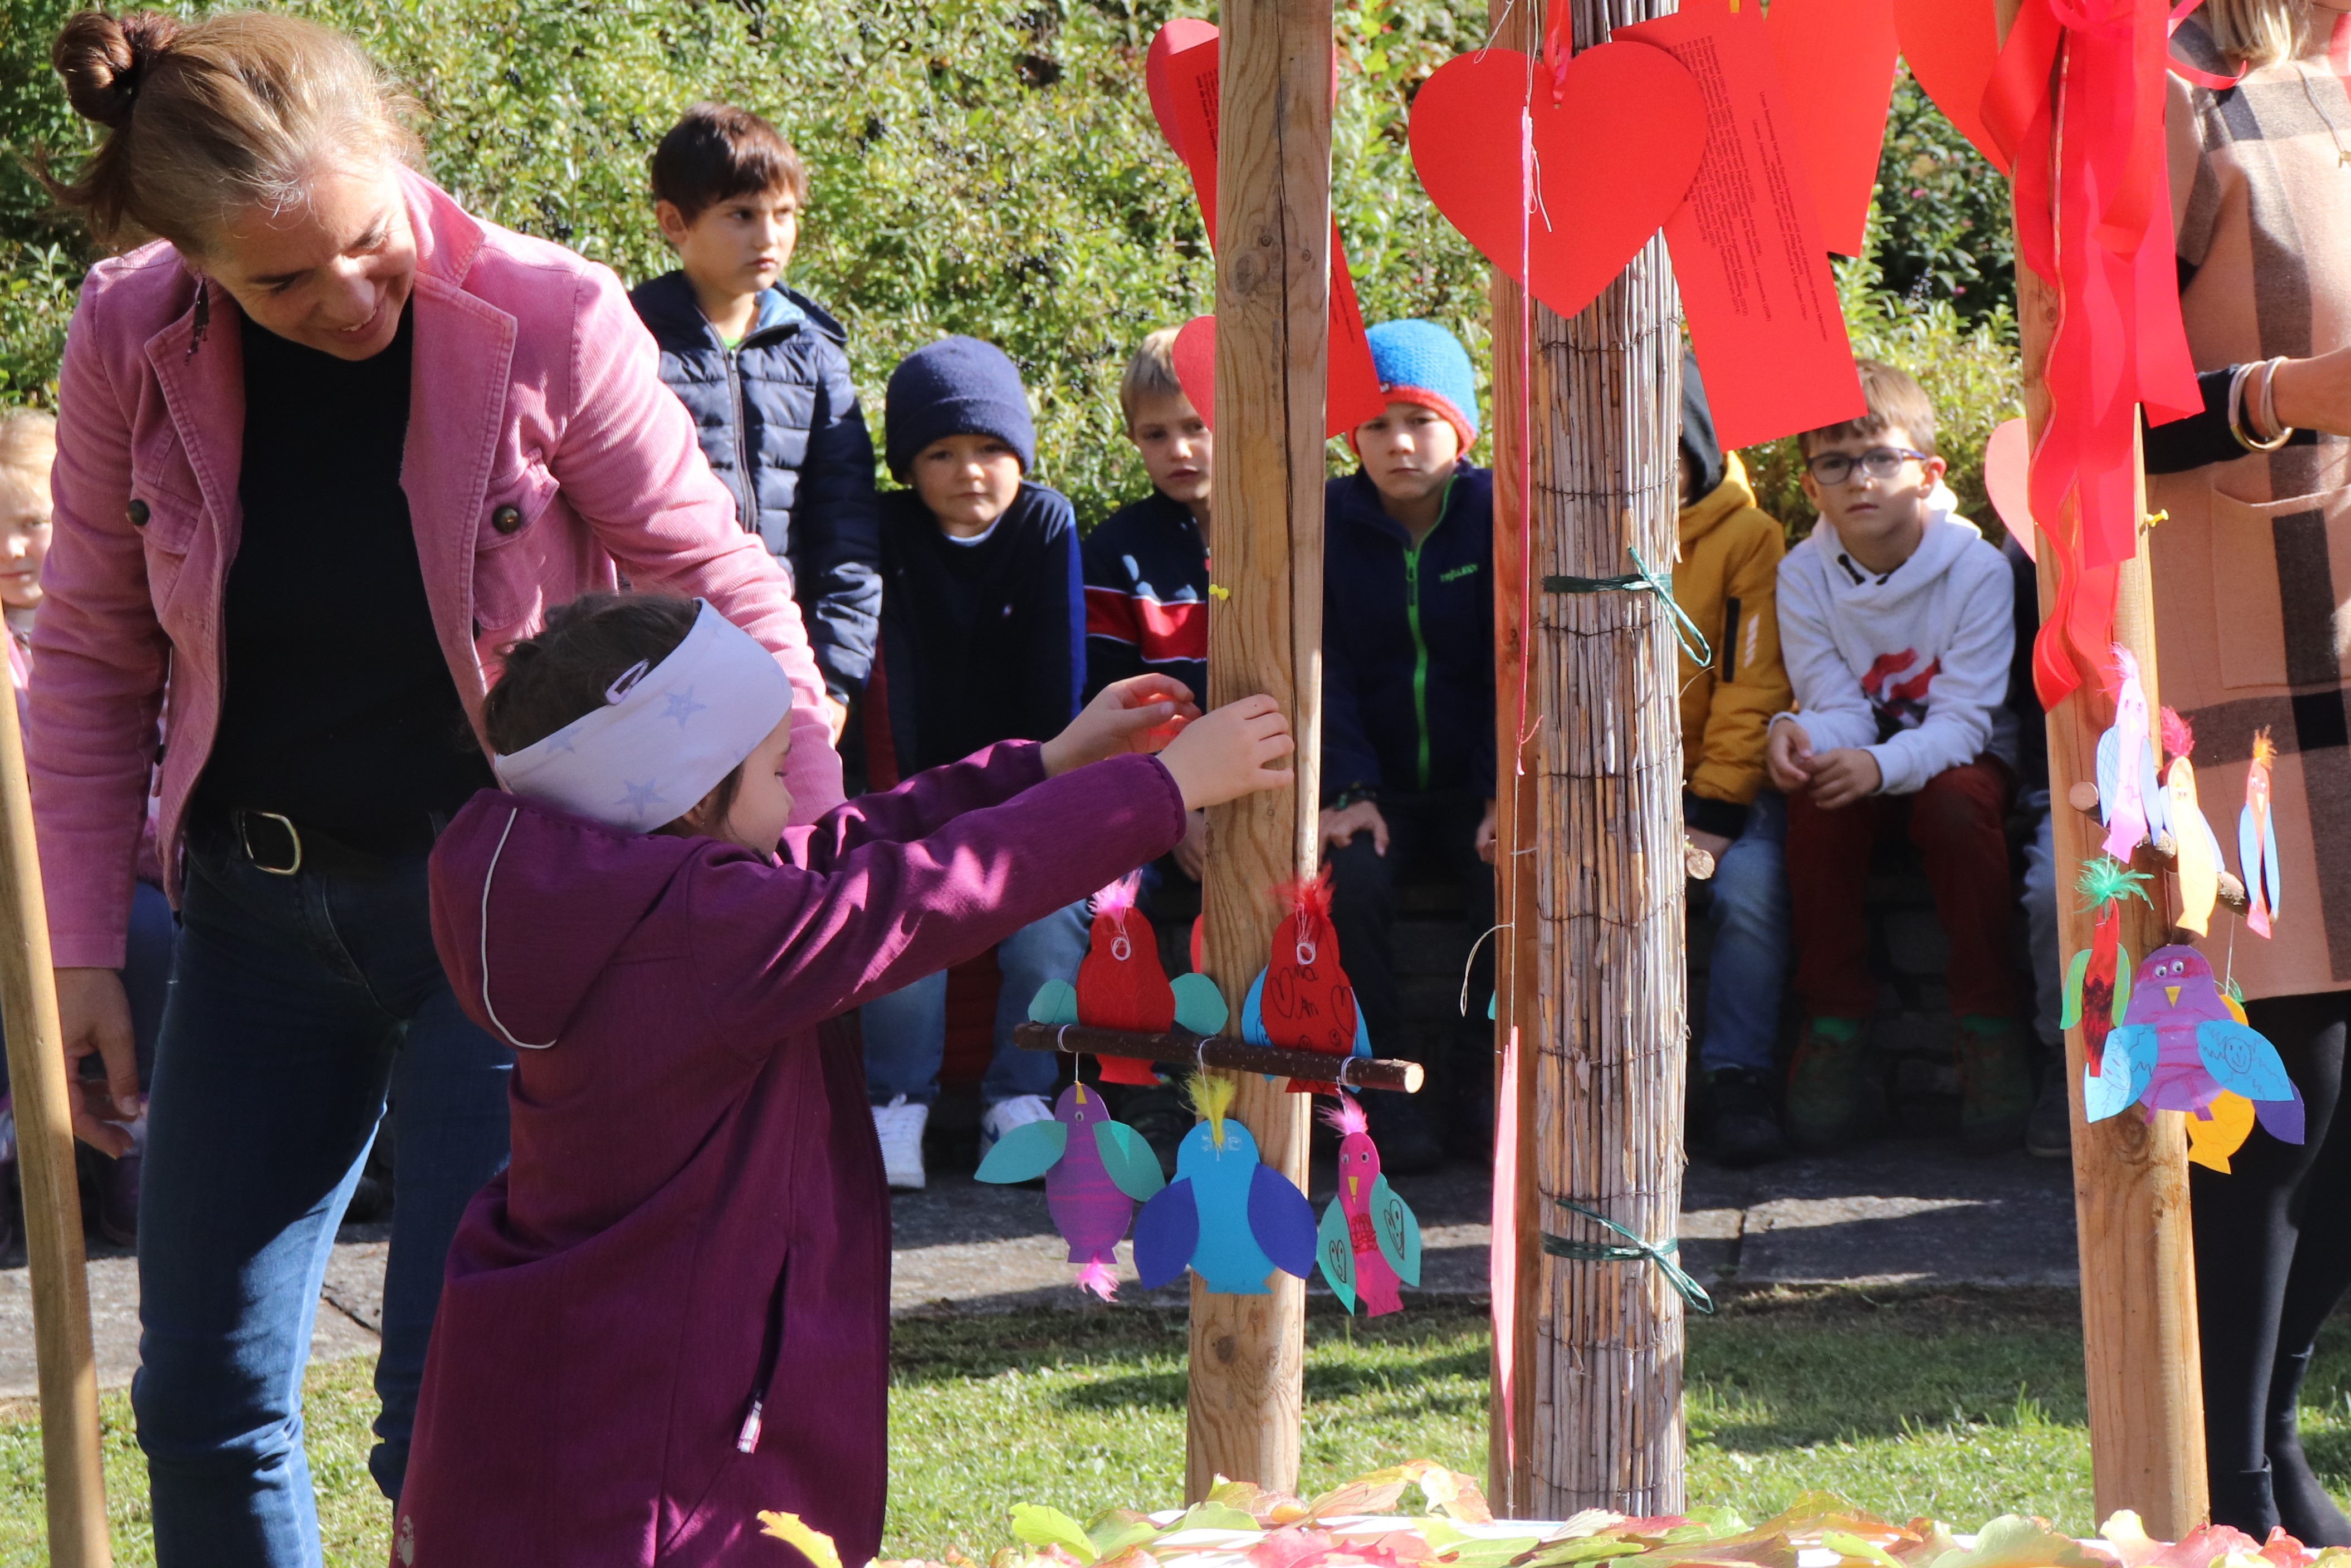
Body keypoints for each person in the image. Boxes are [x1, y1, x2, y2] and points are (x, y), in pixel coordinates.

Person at [31, 13, 842, 1560]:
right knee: (199, 1392)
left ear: (397, 160)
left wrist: (799, 857)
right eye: (279, 283)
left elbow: (712, 577)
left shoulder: (549, 310)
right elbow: (85, 656)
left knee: (456, 1399)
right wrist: (80, 949)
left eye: (366, 246)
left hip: (509, 921)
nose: (344, 301)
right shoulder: (125, 337)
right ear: (192, 263)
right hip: (254, 926)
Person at [396, 591, 1293, 1565]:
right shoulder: (708, 935)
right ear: (692, 797)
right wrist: (1157, 793)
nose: (795, 800)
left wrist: (1044, 765)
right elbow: (918, 894)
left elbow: (824, 860)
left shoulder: (609, 905)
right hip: (668, 1431)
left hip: (577, 1380)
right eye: (777, 771)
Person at [2146, 0, 2351, 1538]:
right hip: (2246, 662)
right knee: (2284, 1088)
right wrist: (2282, 396)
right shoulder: (2164, 97)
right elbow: (2085, 411)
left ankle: (2266, 1437)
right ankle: (2226, 1476)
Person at [1764, 360, 2032, 1154]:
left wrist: (1882, 767)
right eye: (1836, 464)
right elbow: (1837, 703)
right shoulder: (1802, 574)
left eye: (1882, 457)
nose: (1862, 480)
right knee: (1815, 802)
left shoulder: (1975, 569)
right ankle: (1834, 1021)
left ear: (1927, 474)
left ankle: (1990, 1023)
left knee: (1956, 805)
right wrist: (1802, 732)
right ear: (1810, 487)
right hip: (1867, 763)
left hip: (1963, 761)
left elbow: (1965, 721)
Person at [858, 335, 1089, 1188]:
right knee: (898, 906)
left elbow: (1056, 681)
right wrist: (912, 804)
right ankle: (895, 1105)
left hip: (1025, 784)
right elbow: (891, 685)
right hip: (910, 790)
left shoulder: (1043, 522)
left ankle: (1018, 1100)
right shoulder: (886, 531)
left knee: (1051, 917)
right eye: (941, 453)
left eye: (993, 449)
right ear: (908, 468)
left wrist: (1036, 797)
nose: (970, 472)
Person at [630, 101, 880, 740]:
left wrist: (836, 677)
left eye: (784, 214)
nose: (769, 238)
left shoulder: (816, 354)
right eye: (741, 215)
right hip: (660, 660)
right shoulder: (629, 342)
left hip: (787, 660)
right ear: (673, 222)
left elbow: (846, 528)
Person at [1319, 319, 1495, 1174]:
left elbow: (1519, 661)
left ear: (1461, 429)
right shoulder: (1327, 523)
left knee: (1512, 878)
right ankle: (1383, 1085)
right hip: (1375, 784)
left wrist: (1507, 788)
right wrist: (1347, 787)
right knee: (1348, 883)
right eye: (1377, 422)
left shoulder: (1498, 515)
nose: (1397, 443)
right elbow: (1326, 669)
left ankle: (1481, 1078)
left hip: (1476, 784)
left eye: (1419, 420)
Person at [0, 408, 173, 1251]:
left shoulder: (118, 615)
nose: (14, 552)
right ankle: (31, 1153)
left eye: (32, 525)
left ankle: (140, 1140)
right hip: (25, 877)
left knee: (162, 936)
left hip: (132, 861)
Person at [1672, 353, 1796, 1167]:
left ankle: (1735, 1076)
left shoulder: (1749, 538)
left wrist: (1709, 816)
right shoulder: (1565, 533)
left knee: (1749, 889)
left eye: (1664, 451)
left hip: (1724, 791)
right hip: (1606, 787)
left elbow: (1752, 685)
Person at [1084, 327, 1214, 884]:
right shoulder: (1118, 552)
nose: (1179, 450)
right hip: (1160, 795)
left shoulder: (1295, 531)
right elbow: (1114, 703)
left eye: (1196, 427)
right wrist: (1178, 807)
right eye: (1156, 434)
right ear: (1134, 438)